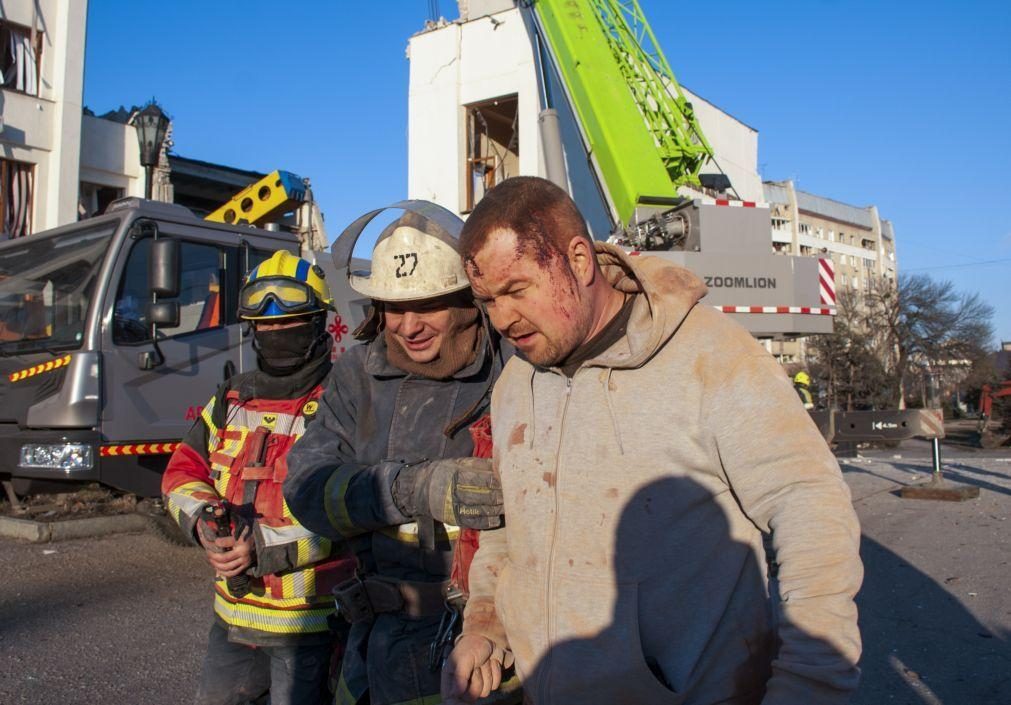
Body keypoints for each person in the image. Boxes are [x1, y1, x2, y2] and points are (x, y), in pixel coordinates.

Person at [442, 176, 864, 705]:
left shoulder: (711, 356)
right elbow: (509, 531)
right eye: (487, 300)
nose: (501, 318)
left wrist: (811, 682)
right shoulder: (515, 385)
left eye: (516, 290)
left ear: (578, 259)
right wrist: (486, 630)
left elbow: (811, 509)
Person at [283, 203, 508, 705]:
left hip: (485, 648)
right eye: (393, 306)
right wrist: (408, 489)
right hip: (375, 646)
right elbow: (304, 487)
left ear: (468, 301)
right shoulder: (358, 374)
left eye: (426, 304)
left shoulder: (511, 368)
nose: (408, 326)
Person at [162, 250, 356, 705]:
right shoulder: (230, 400)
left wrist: (264, 547)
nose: (274, 333)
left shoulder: (347, 403)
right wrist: (204, 525)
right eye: (264, 326)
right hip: (232, 620)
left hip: (312, 623)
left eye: (287, 324)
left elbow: (354, 512)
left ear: (318, 325)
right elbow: (181, 472)